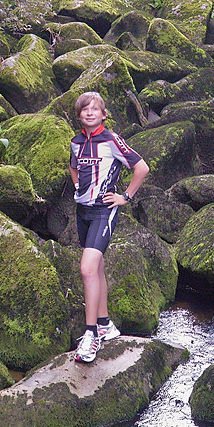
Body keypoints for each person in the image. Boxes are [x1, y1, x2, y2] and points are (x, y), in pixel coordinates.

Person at [69, 91, 149, 363]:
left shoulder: (111, 139)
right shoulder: (76, 142)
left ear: (104, 114)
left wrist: (124, 197)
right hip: (83, 211)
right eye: (84, 110)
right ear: (79, 115)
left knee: (87, 268)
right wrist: (79, 187)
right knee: (98, 267)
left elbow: (142, 168)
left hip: (105, 210)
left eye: (95, 109)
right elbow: (74, 168)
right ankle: (104, 323)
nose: (89, 113)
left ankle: (91, 336)